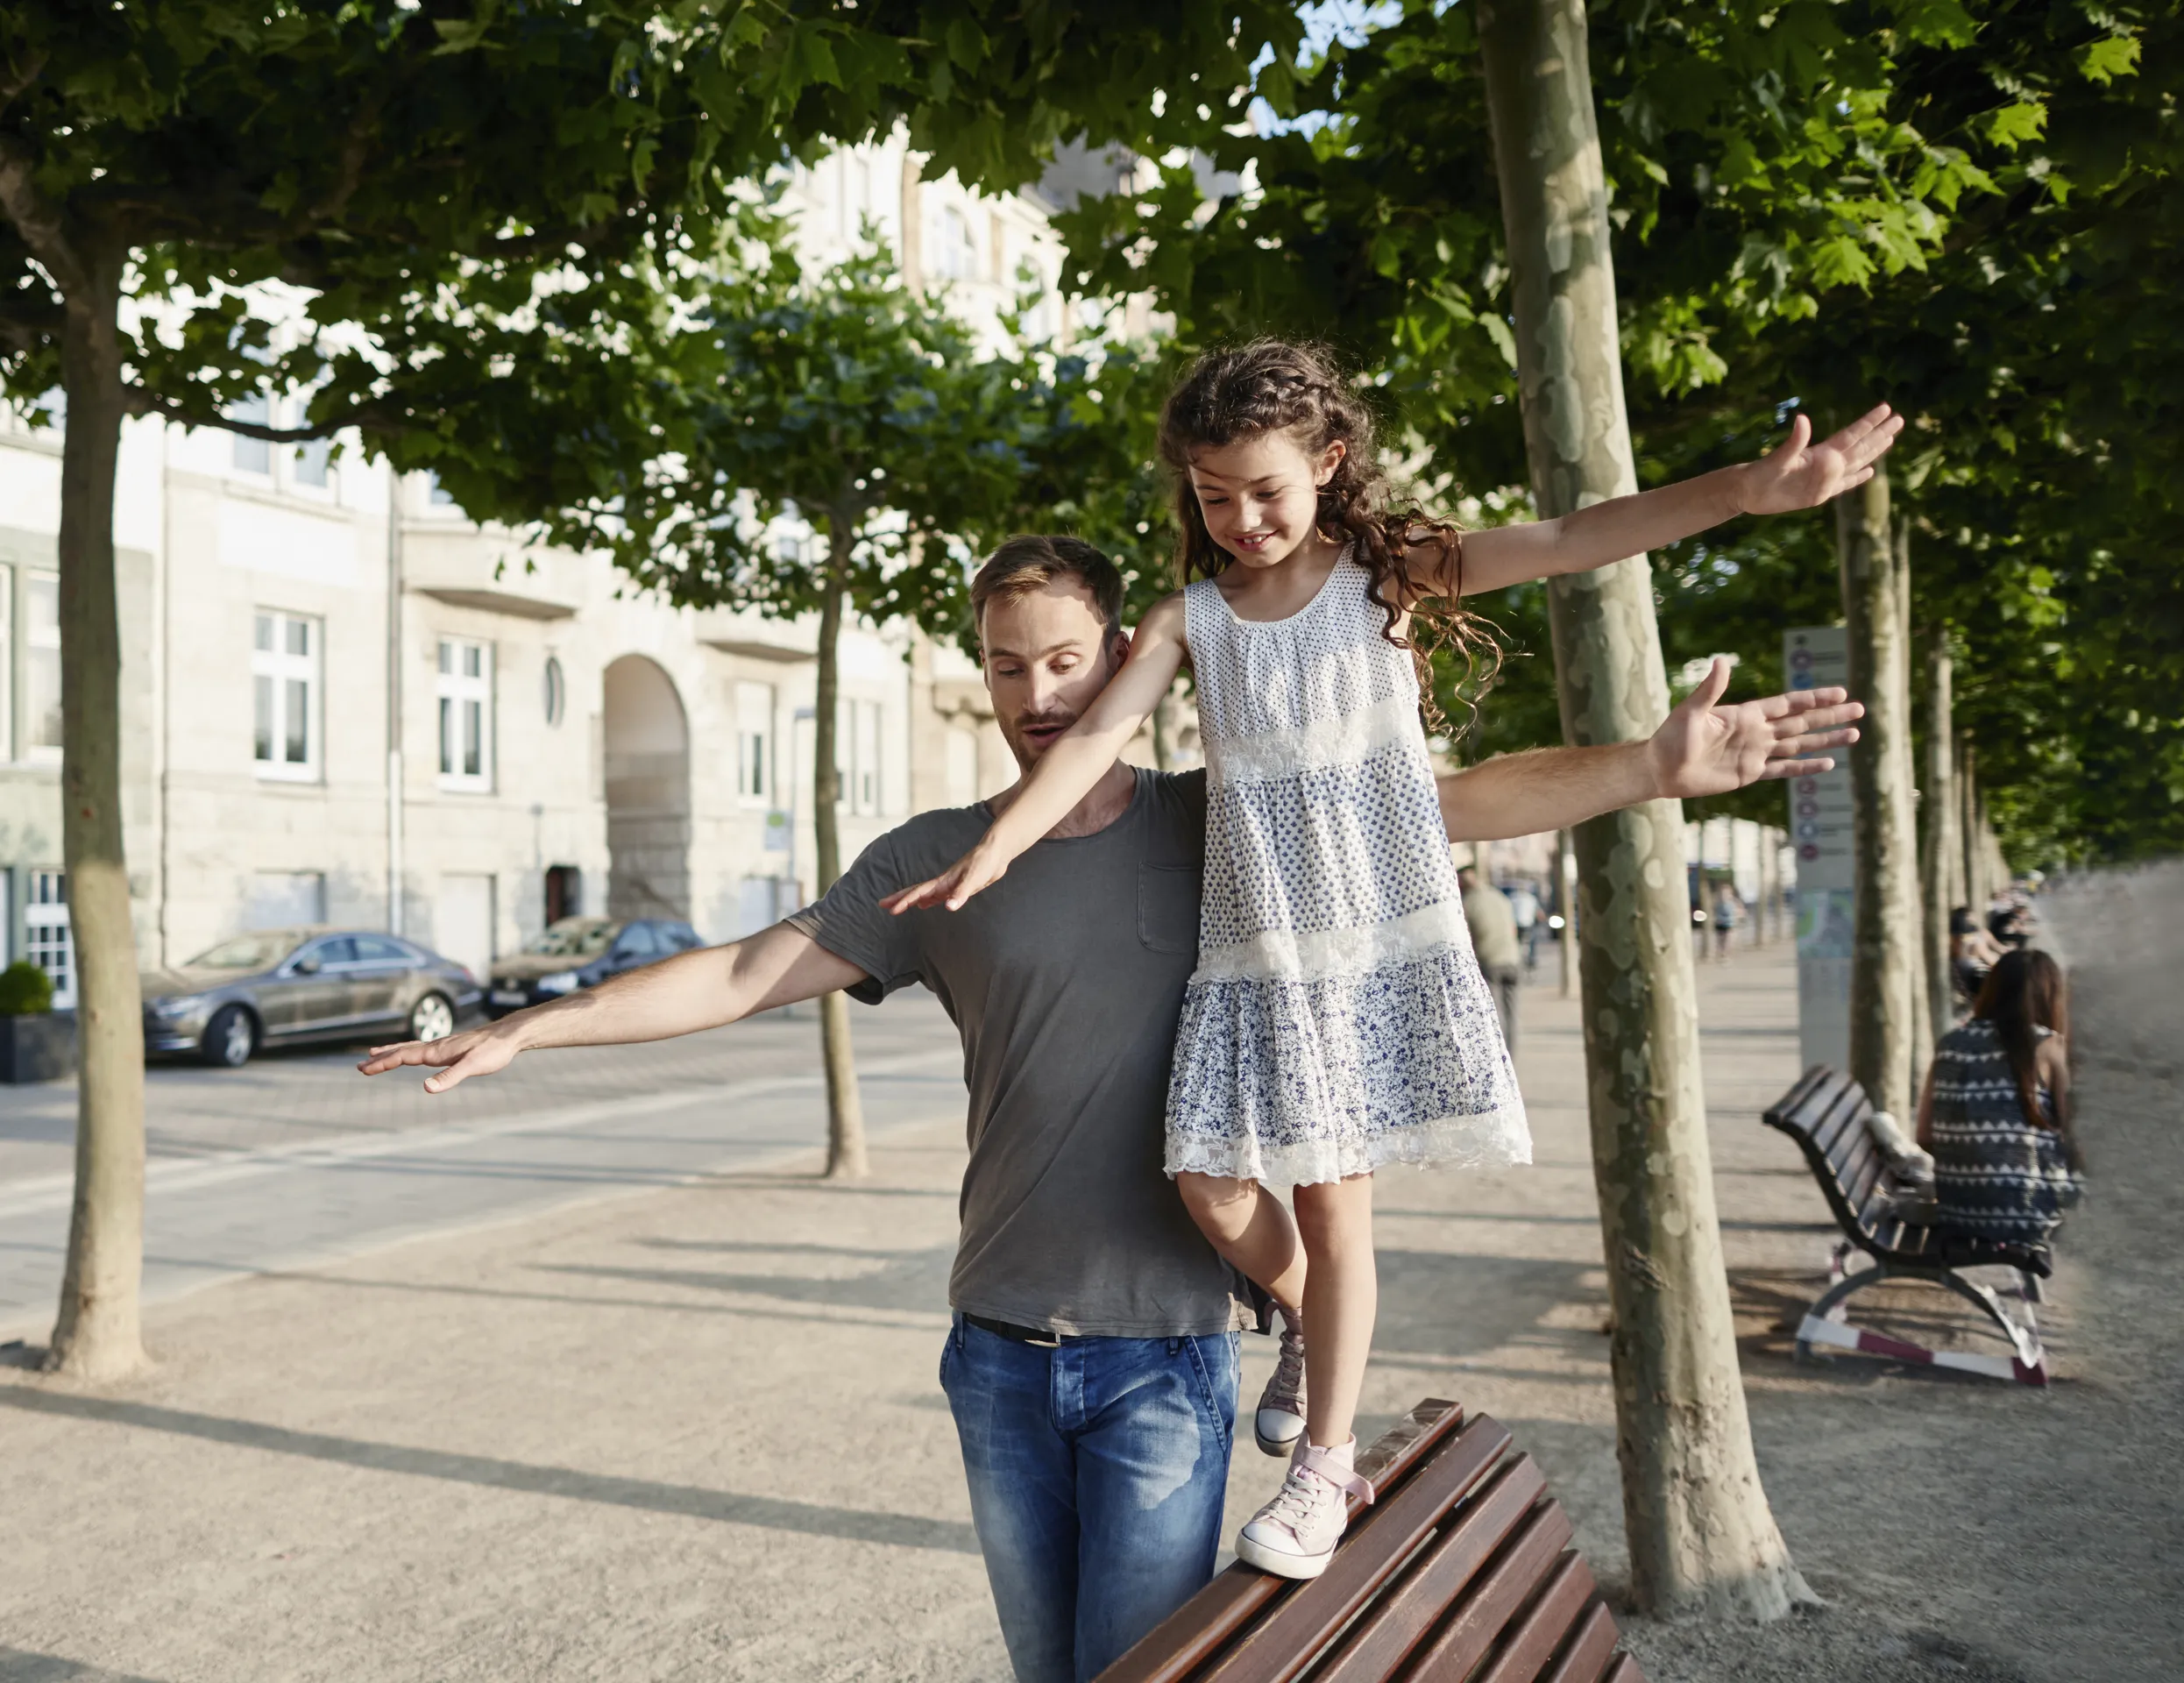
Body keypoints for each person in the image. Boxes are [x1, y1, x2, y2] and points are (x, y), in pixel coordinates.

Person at [358, 536, 1861, 1683]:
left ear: (1123, 657)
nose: (1036, 695)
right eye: (1006, 666)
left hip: (1161, 1356)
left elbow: (1454, 797)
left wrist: (1651, 770)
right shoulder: (939, 858)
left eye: (1064, 660)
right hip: (996, 1350)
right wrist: (531, 1029)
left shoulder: (1223, 819)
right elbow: (742, 973)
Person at [885, 339, 1903, 1579]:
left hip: (1365, 950)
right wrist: (997, 847)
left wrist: (1745, 491)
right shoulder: (1190, 617)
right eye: (1213, 497)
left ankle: (1323, 1473)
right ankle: (1315, 1321)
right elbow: (1098, 733)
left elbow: (1578, 533)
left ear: (1327, 461)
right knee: (1205, 1184)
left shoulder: (1387, 574)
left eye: (1265, 489)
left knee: (1333, 1200)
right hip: (1254, 958)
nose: (1242, 520)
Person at [1916, 948, 2083, 1246]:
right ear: (2051, 997)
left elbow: (1925, 1135)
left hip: (1958, 1211)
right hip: (2029, 1214)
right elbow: (2077, 1139)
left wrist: (1975, 1160)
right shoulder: (2049, 1045)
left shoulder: (1950, 1044)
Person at [1458, 866, 1521, 1051]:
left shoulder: (1468, 902)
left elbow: (1467, 937)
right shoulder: (1499, 897)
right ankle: (1512, 1054)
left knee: (1493, 1014)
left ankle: (1499, 1055)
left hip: (1489, 961)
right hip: (1512, 958)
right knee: (1511, 1013)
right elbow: (1512, 928)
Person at [1948, 907, 2003, 1014]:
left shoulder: (1957, 940)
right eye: (1971, 918)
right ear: (1964, 920)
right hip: (1977, 986)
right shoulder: (1973, 942)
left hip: (1973, 982)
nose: (1974, 920)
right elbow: (1996, 965)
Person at [1712, 882, 1741, 961]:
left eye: (1726, 893)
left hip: (1730, 923)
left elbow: (1739, 911)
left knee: (1729, 940)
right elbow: (1713, 911)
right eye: (1722, 893)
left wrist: (1738, 917)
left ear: (1730, 894)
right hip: (1720, 923)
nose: (1724, 895)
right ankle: (1722, 954)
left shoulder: (1734, 902)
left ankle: (1726, 955)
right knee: (1720, 941)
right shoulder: (1717, 902)